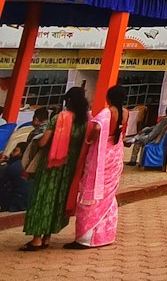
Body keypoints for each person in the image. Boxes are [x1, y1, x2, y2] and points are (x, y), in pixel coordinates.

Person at [21, 86, 90, 251]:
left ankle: (36, 238)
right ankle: (47, 238)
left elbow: (44, 142)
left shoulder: (59, 118)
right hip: (70, 167)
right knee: (58, 199)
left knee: (43, 198)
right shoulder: (85, 122)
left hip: (51, 166)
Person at [67, 84, 127, 249]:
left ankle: (86, 237)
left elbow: (97, 128)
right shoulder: (126, 113)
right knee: (108, 196)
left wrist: (88, 140)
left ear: (108, 98)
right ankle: (105, 235)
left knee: (92, 192)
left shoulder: (107, 112)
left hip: (102, 155)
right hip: (115, 155)